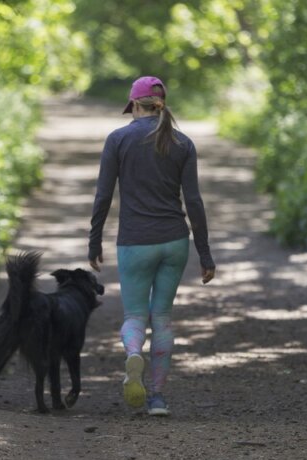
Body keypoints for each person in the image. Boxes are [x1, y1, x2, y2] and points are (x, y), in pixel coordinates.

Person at [88, 76, 216, 417]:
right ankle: (157, 397)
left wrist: (94, 240)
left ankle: (133, 354)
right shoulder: (183, 143)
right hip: (174, 241)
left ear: (134, 106)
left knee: (134, 315)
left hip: (135, 242)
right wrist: (205, 253)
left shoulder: (118, 139)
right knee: (162, 318)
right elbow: (194, 201)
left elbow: (103, 196)